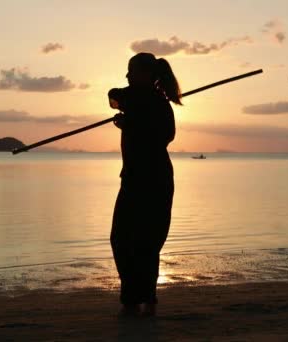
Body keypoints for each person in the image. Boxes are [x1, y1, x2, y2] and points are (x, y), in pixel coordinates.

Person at [108, 52, 181, 317]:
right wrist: (128, 119)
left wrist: (130, 121)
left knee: (136, 239)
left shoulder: (153, 103)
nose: (127, 76)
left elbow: (161, 137)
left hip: (148, 179)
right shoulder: (146, 101)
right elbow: (114, 97)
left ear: (147, 75)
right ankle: (142, 297)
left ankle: (138, 298)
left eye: (132, 71)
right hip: (145, 178)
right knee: (136, 239)